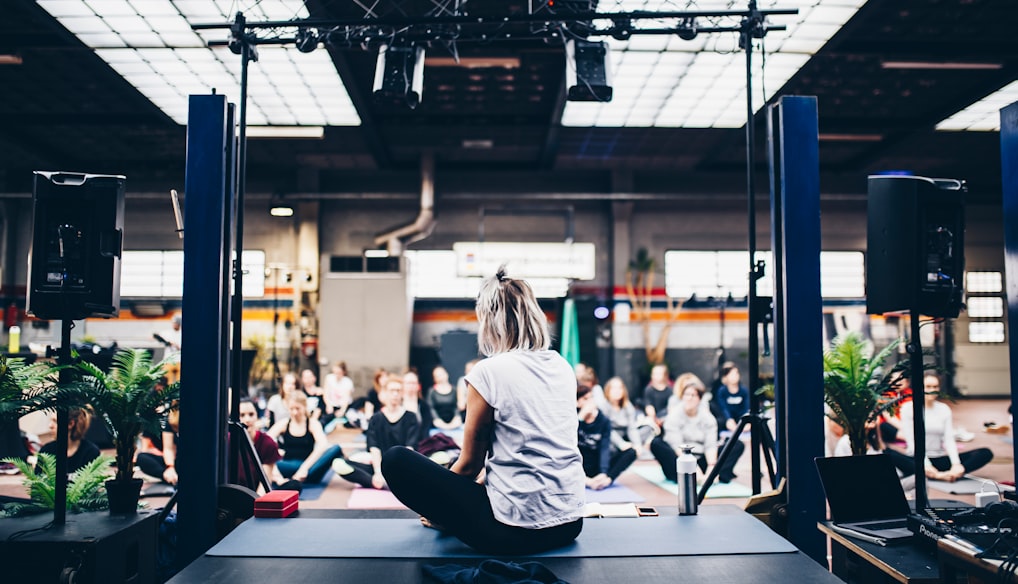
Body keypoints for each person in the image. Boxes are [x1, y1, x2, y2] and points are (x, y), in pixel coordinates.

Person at [382, 266, 585, 556]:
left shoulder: (488, 371)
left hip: (512, 532)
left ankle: (445, 520)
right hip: (569, 523)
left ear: (489, 319)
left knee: (396, 459)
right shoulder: (561, 366)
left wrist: (441, 508)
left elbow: (469, 466)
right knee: (450, 462)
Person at [889, 373, 993, 481]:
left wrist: (956, 464)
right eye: (928, 386)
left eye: (935, 387)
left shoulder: (944, 409)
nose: (932, 390)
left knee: (985, 452)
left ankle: (953, 473)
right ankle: (937, 475)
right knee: (887, 453)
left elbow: (949, 439)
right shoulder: (908, 409)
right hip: (916, 460)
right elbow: (912, 441)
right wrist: (927, 466)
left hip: (938, 458)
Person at [650, 374, 744, 484]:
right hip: (681, 459)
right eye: (687, 395)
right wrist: (692, 468)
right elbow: (676, 445)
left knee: (736, 444)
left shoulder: (707, 417)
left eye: (693, 395)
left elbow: (710, 444)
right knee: (657, 443)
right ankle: (688, 477)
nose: (689, 398)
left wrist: (711, 468)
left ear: (699, 399)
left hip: (701, 457)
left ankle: (715, 474)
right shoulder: (674, 415)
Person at [332, 376, 420, 489]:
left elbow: (410, 449)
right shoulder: (376, 419)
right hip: (379, 466)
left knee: (440, 459)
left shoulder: (411, 417)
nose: (395, 394)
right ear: (385, 393)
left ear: (402, 393)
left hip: (404, 467)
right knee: (339, 464)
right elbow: (374, 448)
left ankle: (391, 482)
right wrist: (378, 473)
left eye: (398, 391)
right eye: (391, 390)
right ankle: (378, 482)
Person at [267, 392, 343, 485]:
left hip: (310, 467)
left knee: (336, 448)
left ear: (305, 406)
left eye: (298, 408)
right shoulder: (284, 423)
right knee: (267, 463)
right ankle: (287, 479)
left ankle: (299, 478)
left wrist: (304, 468)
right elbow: (264, 442)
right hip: (287, 466)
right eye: (291, 409)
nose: (295, 412)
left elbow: (322, 445)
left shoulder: (313, 424)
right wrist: (276, 471)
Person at [577, 385, 636, 490]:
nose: (590, 402)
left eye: (591, 398)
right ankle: (587, 481)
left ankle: (604, 481)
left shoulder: (603, 421)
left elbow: (604, 448)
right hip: (578, 466)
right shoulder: (574, 419)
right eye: (585, 399)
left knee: (631, 452)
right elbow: (568, 442)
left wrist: (604, 473)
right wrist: (580, 418)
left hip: (597, 465)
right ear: (578, 403)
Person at [235, 398, 284, 493]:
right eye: (242, 415)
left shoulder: (267, 443)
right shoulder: (227, 442)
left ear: (257, 416)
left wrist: (255, 505)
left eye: (251, 414)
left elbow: (264, 483)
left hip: (256, 496)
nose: (247, 419)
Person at [601, 376, 656, 458]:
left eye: (620, 388)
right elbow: (607, 429)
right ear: (608, 390)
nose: (617, 391)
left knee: (647, 428)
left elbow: (632, 427)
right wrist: (621, 443)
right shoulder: (604, 406)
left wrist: (637, 445)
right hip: (610, 437)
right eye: (614, 388)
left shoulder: (627, 406)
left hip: (626, 435)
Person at [38, 407, 101, 474]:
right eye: (51, 421)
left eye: (55, 421)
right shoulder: (46, 451)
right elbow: (36, 481)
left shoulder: (91, 452)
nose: (50, 426)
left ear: (70, 424)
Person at [137, 407, 180, 485]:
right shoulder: (169, 423)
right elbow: (168, 449)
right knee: (142, 458)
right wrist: (170, 467)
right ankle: (169, 477)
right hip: (174, 461)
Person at [713, 361, 750, 433]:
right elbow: (723, 408)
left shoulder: (744, 390)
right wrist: (729, 419)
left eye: (736, 373)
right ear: (725, 376)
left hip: (741, 418)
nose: (735, 376)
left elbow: (746, 407)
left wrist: (746, 421)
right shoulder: (722, 391)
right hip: (728, 419)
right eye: (731, 374)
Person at [426, 365, 463, 431]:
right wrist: (439, 422)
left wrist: (455, 420)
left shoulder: (455, 390)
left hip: (455, 424)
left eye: (442, 374)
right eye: (438, 375)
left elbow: (457, 407)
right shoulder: (431, 391)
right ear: (434, 378)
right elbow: (431, 408)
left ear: (446, 374)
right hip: (437, 425)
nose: (441, 377)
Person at [323, 361, 355, 432]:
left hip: (344, 406)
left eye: (339, 373)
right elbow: (326, 393)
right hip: (332, 405)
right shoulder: (329, 378)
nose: (337, 375)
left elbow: (346, 398)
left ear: (343, 372)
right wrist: (328, 405)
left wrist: (342, 410)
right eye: (335, 373)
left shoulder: (347, 381)